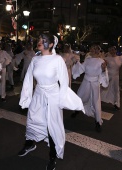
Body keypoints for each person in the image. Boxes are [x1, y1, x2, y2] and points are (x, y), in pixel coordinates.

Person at [18, 33, 84, 170]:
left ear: (52, 44)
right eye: (40, 39)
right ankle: (30, 143)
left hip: (52, 96)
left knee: (52, 126)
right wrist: (25, 98)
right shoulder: (35, 59)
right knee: (32, 120)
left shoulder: (57, 60)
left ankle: (52, 156)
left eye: (44, 40)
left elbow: (64, 81)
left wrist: (61, 99)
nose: (40, 41)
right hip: (38, 94)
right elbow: (28, 79)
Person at [72, 45, 109, 132]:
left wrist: (103, 70)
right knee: (80, 97)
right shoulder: (88, 60)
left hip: (95, 84)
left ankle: (97, 122)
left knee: (96, 102)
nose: (93, 51)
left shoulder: (101, 61)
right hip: (85, 82)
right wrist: (77, 63)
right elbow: (82, 68)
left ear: (98, 51)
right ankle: (77, 110)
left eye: (95, 49)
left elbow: (104, 75)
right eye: (92, 49)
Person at [101, 46, 122, 110]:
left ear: (116, 50)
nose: (112, 51)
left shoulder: (120, 58)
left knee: (116, 90)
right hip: (108, 76)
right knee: (103, 88)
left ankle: (117, 104)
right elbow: (101, 65)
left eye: (113, 50)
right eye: (111, 50)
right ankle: (97, 99)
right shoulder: (107, 58)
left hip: (116, 77)